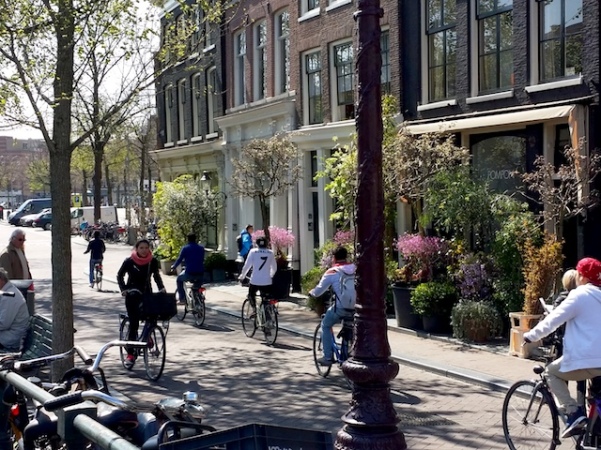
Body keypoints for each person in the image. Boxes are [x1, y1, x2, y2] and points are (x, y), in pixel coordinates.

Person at [524, 257, 601, 438]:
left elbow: (553, 321)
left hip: (587, 359)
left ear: (582, 276)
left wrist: (530, 336)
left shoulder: (579, 295)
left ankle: (573, 413)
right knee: (594, 396)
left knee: (551, 372)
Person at [117, 239, 166, 369]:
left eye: (146, 248)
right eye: (141, 248)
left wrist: (161, 288)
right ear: (136, 249)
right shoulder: (129, 261)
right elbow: (119, 275)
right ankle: (131, 355)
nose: (144, 250)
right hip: (132, 294)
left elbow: (156, 276)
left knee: (153, 316)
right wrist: (124, 290)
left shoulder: (152, 261)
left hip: (146, 293)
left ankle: (148, 335)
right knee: (134, 323)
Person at [309, 246, 356, 366]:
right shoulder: (355, 268)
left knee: (325, 324)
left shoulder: (332, 271)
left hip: (341, 307)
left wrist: (312, 293)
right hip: (356, 308)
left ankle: (328, 357)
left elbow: (319, 290)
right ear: (346, 257)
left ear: (334, 258)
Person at [238, 236, 276, 307]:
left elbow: (247, 266)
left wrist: (242, 276)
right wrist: (270, 275)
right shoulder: (270, 253)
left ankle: (254, 311)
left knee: (251, 295)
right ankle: (268, 312)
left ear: (257, 244)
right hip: (267, 281)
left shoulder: (253, 252)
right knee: (267, 298)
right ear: (267, 244)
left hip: (255, 280)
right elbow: (274, 267)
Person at [0, 268, 30, 350]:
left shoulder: (9, 296)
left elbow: (3, 324)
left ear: (1, 280)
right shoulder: (7, 291)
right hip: (8, 334)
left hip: (11, 337)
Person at [171, 233, 205, 304]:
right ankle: (198, 303)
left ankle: (182, 298)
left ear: (188, 239)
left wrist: (174, 267)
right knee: (196, 286)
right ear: (196, 239)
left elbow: (180, 259)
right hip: (201, 273)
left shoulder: (186, 248)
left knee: (179, 280)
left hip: (190, 272)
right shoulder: (201, 248)